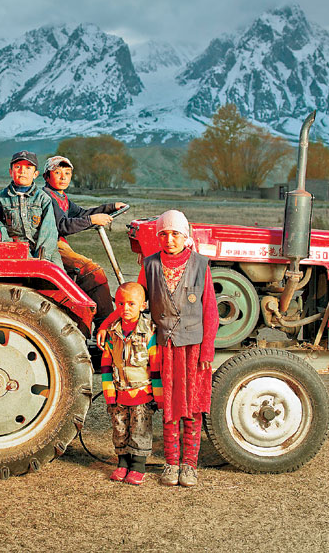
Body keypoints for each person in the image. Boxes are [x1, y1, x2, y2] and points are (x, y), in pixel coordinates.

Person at [97, 209, 217, 488]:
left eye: (175, 234)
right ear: (159, 237)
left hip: (193, 349)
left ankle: (189, 465)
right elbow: (132, 300)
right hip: (164, 347)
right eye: (164, 234)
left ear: (184, 236)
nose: (170, 239)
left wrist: (207, 350)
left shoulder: (200, 265)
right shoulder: (150, 265)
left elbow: (210, 309)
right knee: (170, 406)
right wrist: (106, 324)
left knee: (192, 407)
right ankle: (171, 464)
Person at [42, 155, 128, 327]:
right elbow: (62, 226)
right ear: (46, 176)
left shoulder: (61, 197)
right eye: (57, 172)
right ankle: (107, 325)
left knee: (91, 273)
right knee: (93, 273)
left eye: (67, 173)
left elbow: (81, 213)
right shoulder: (46, 197)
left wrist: (110, 207)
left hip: (60, 244)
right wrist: (92, 221)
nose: (63, 177)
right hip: (49, 244)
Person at [99, 282, 161, 484]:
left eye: (131, 304)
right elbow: (107, 367)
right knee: (120, 430)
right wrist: (109, 394)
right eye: (121, 303)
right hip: (119, 393)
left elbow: (156, 366)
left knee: (140, 430)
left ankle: (137, 467)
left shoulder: (149, 333)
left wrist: (158, 397)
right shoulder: (112, 334)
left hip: (142, 393)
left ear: (143, 305)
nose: (125, 308)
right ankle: (122, 464)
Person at [0, 151, 61, 265]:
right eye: (17, 167)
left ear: (35, 174)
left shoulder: (43, 199)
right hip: (13, 250)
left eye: (28, 168)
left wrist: (43, 257)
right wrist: (13, 250)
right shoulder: (0, 199)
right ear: (10, 172)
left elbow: (49, 230)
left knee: (58, 277)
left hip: (43, 250)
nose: (22, 171)